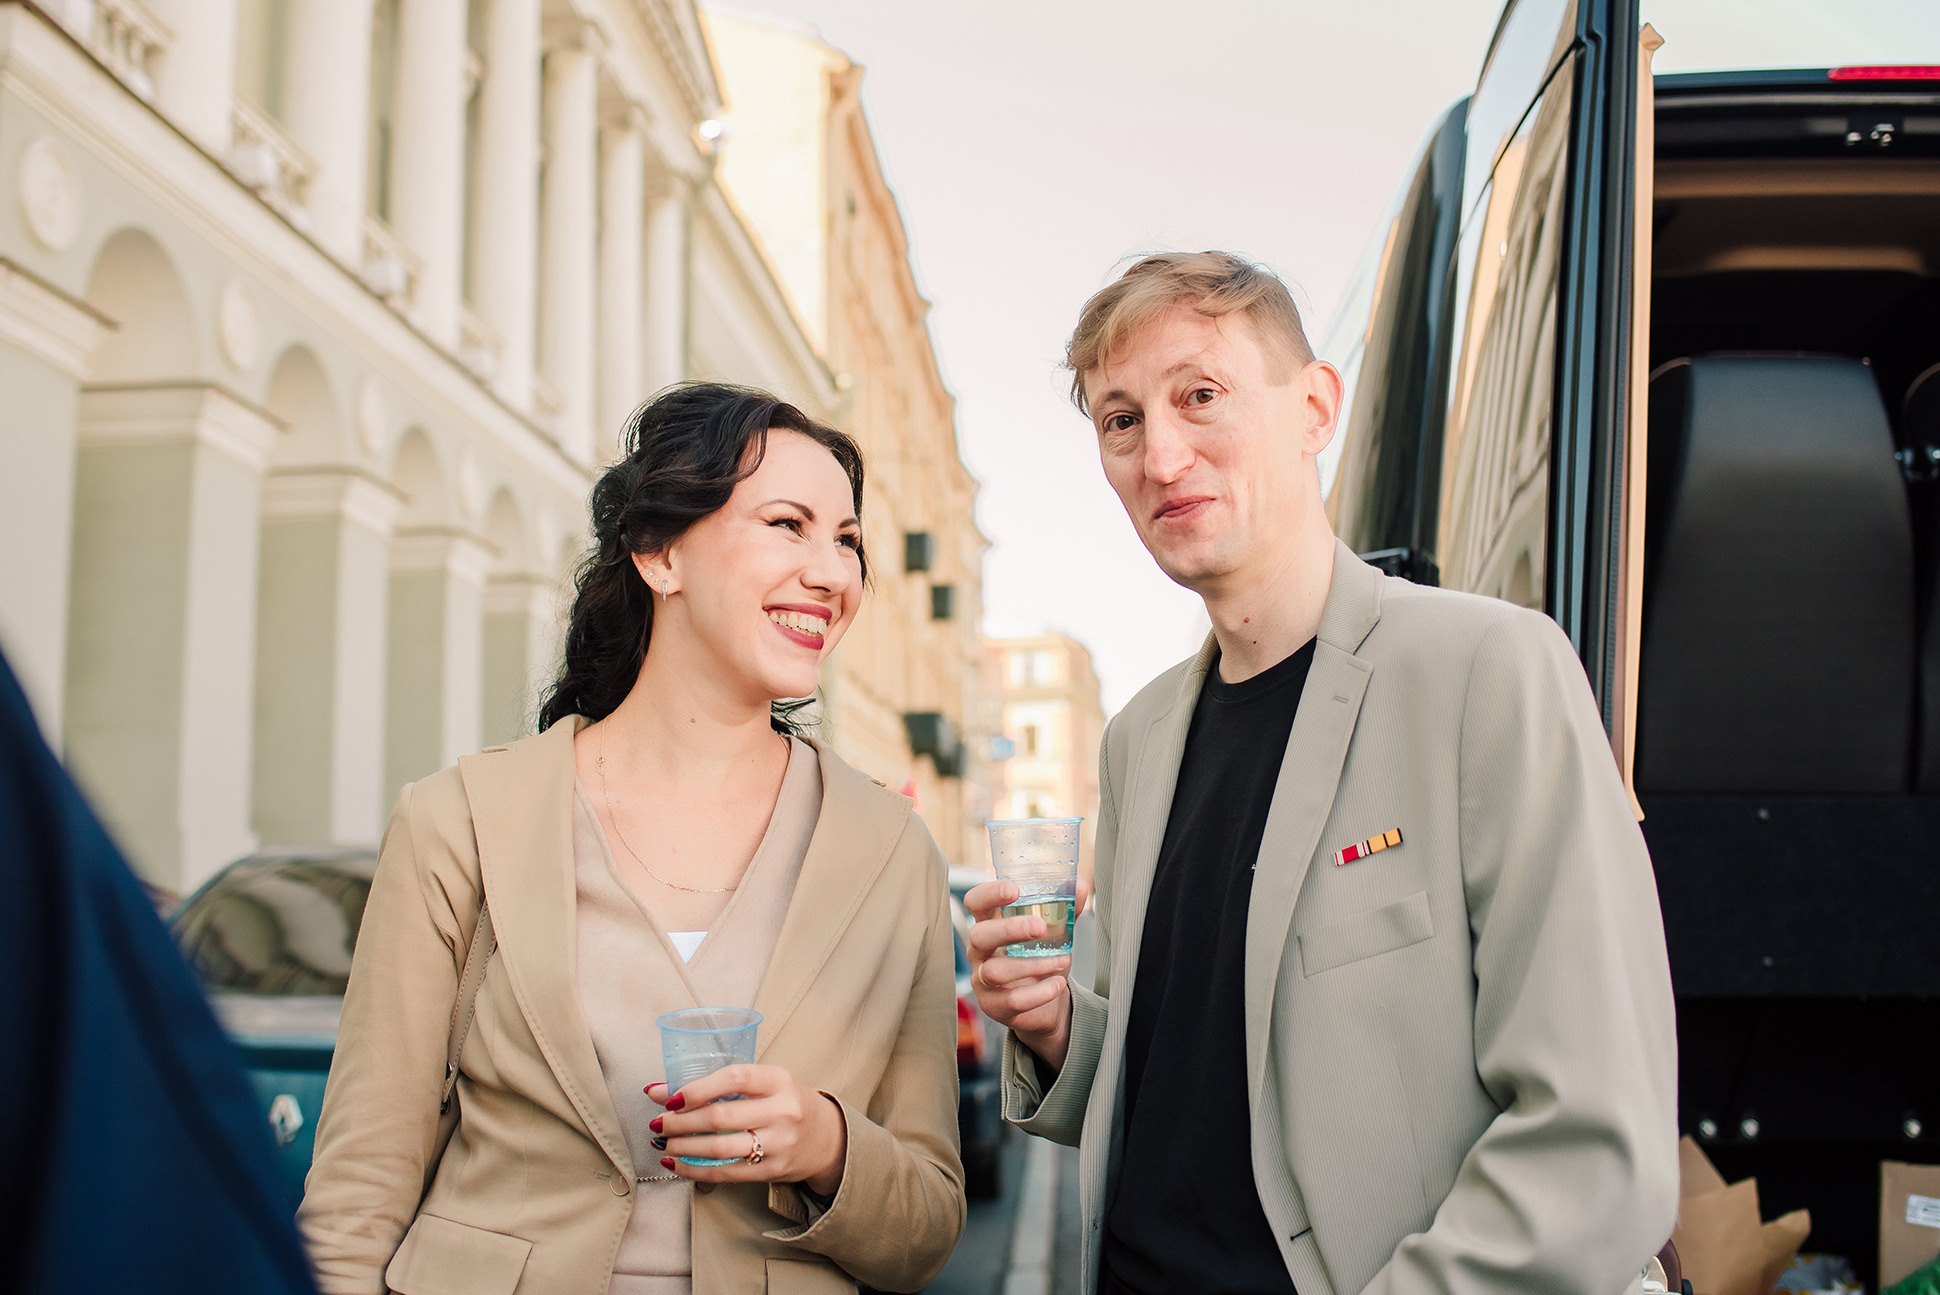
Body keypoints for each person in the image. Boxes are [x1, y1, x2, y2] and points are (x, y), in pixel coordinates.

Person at [965, 253, 1678, 1295]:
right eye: (1121, 420)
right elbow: (1167, 1082)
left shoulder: (1488, 669)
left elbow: (1595, 1147)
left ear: (1313, 408)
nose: (1160, 455)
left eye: (1199, 395)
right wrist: (1055, 1025)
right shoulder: (1136, 738)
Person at [300, 384, 965, 1294]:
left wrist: (827, 1142)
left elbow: (928, 1225)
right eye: (788, 524)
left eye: (847, 540)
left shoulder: (892, 851)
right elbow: (357, 1192)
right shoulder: (461, 820)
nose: (832, 573)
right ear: (659, 552)